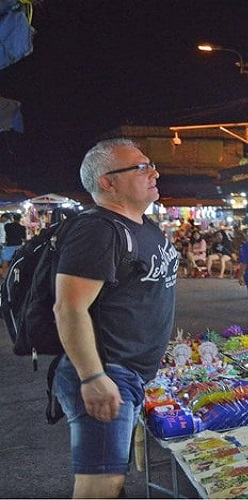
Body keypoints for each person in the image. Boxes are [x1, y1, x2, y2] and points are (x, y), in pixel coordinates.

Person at [52, 138, 179, 498]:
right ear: (108, 182)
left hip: (130, 372)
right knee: (99, 487)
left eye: (150, 164)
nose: (154, 171)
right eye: (140, 167)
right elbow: (69, 307)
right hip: (108, 371)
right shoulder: (98, 230)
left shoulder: (144, 225)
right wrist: (92, 376)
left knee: (113, 480)